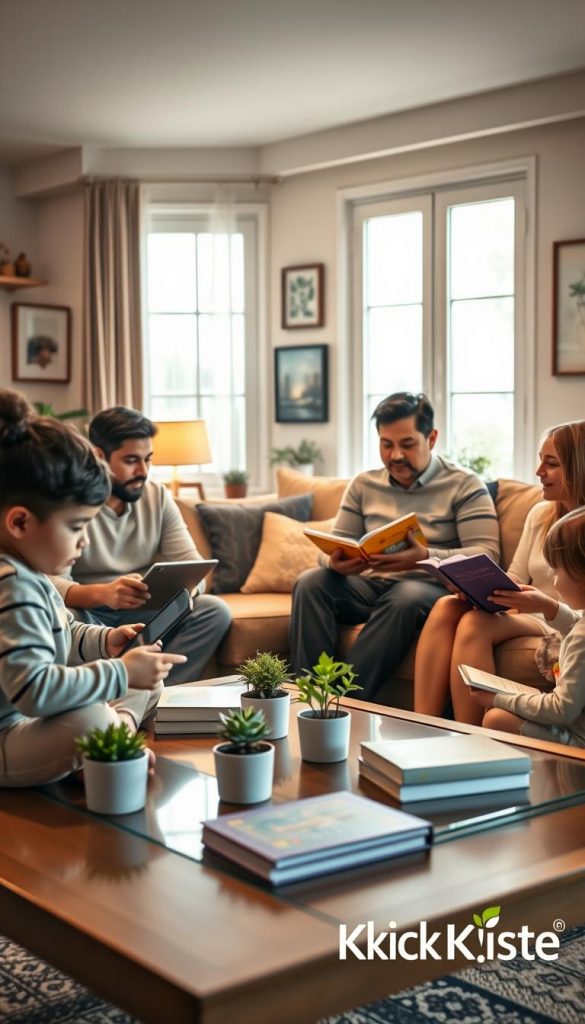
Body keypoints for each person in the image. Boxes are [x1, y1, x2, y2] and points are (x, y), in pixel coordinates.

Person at [0, 388, 186, 787]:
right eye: (76, 527)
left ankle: (110, 735)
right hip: (8, 737)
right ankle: (110, 737)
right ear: (19, 523)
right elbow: (34, 690)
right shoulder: (13, 585)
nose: (83, 542)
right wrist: (118, 672)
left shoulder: (27, 572)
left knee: (147, 680)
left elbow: (63, 633)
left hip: (27, 725)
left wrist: (107, 643)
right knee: (92, 715)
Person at [289, 392, 500, 702]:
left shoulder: (464, 484)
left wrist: (426, 557)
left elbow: (487, 554)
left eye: (407, 444)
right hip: (370, 583)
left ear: (432, 437)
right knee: (310, 582)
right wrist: (334, 563)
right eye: (386, 445)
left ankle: (338, 702)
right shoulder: (364, 484)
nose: (396, 455)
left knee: (406, 596)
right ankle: (304, 696)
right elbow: (331, 547)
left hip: (429, 587)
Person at [414, 420, 585, 724]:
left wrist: (541, 605)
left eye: (551, 463)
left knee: (474, 624)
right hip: (529, 609)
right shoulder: (540, 513)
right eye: (539, 460)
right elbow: (516, 575)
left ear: (578, 467)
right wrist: (474, 586)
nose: (538, 472)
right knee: (447, 606)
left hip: (560, 617)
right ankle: (420, 724)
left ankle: (472, 736)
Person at [51, 407, 232, 685]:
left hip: (144, 610)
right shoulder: (68, 500)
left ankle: (160, 696)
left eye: (148, 459)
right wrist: (104, 593)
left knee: (213, 610)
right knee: (64, 619)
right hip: (90, 613)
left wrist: (183, 589)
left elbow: (196, 569)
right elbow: (52, 584)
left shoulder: (157, 497)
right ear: (99, 456)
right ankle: (129, 692)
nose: (143, 471)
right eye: (131, 460)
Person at [471, 506, 585, 747]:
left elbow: (561, 710)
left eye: (556, 571)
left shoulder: (580, 639)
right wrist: (548, 605)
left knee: (495, 719)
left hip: (579, 739)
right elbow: (576, 621)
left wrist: (498, 699)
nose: (553, 580)